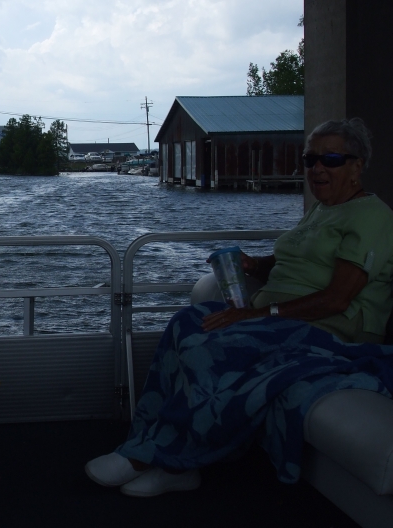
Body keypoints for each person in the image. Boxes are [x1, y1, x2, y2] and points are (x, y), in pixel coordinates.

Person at [86, 118, 393, 496]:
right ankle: (148, 442)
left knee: (216, 344)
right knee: (186, 322)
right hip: (278, 320)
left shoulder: (371, 218)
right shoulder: (323, 209)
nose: (316, 169)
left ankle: (167, 460)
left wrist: (257, 314)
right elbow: (295, 264)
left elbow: (337, 298)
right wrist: (254, 265)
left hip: (330, 332)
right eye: (309, 159)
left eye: (329, 159)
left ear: (357, 166)